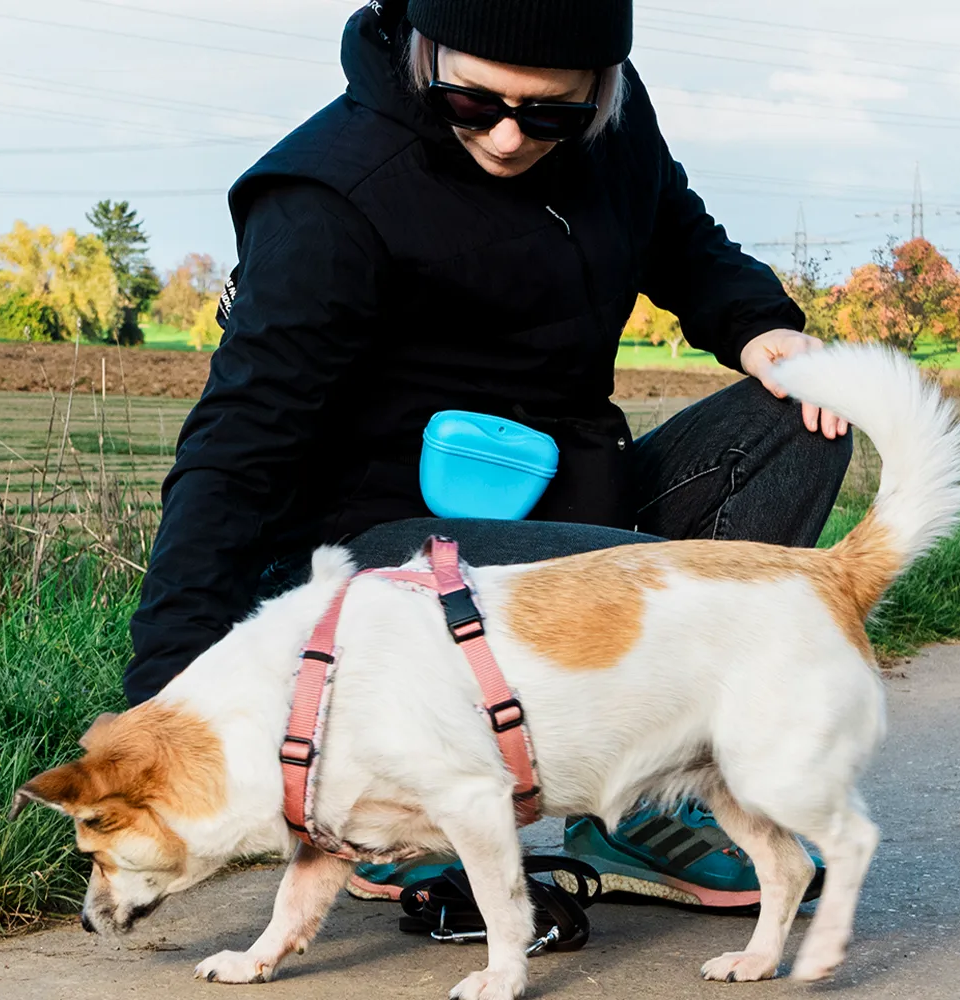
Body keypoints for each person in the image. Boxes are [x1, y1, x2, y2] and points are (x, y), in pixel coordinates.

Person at [125, 0, 851, 908]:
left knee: (797, 421)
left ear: (600, 89)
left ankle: (647, 801)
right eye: (473, 103)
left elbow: (679, 234)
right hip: (378, 563)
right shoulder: (328, 197)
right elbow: (236, 449)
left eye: (550, 112)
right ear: (422, 53)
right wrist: (165, 691)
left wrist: (762, 328)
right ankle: (397, 805)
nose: (510, 137)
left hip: (569, 503)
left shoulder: (611, 125)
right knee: (635, 587)